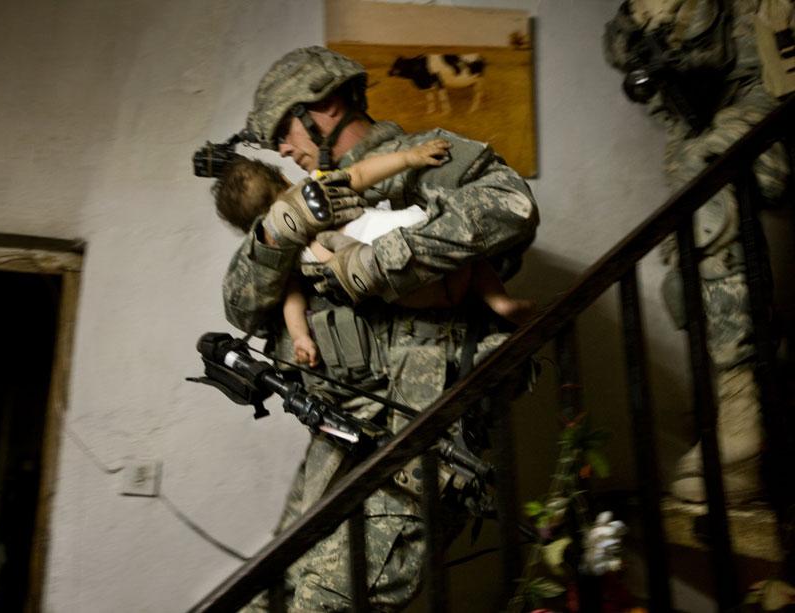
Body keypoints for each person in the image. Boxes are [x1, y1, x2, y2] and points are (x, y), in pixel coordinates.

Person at [220, 46, 539, 611]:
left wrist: (383, 259)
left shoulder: (426, 157)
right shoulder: (303, 194)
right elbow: (242, 310)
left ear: (325, 107)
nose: (282, 150)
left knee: (326, 602)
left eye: (284, 131)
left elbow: (510, 205)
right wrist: (274, 234)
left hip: (419, 438)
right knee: (271, 590)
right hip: (339, 435)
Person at [604, 0, 791, 504]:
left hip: (769, 103)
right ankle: (751, 402)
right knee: (683, 275)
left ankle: (744, 415)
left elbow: (737, 61)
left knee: (709, 213)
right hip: (703, 127)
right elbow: (626, 56)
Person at [211, 140, 534, 367]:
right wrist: (410, 158)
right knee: (464, 262)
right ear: (283, 178)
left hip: (399, 280)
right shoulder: (315, 188)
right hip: (403, 241)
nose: (284, 147)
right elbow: (361, 175)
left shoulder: (293, 254)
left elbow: (292, 302)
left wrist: (300, 338)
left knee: (405, 290)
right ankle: (498, 300)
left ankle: (488, 302)